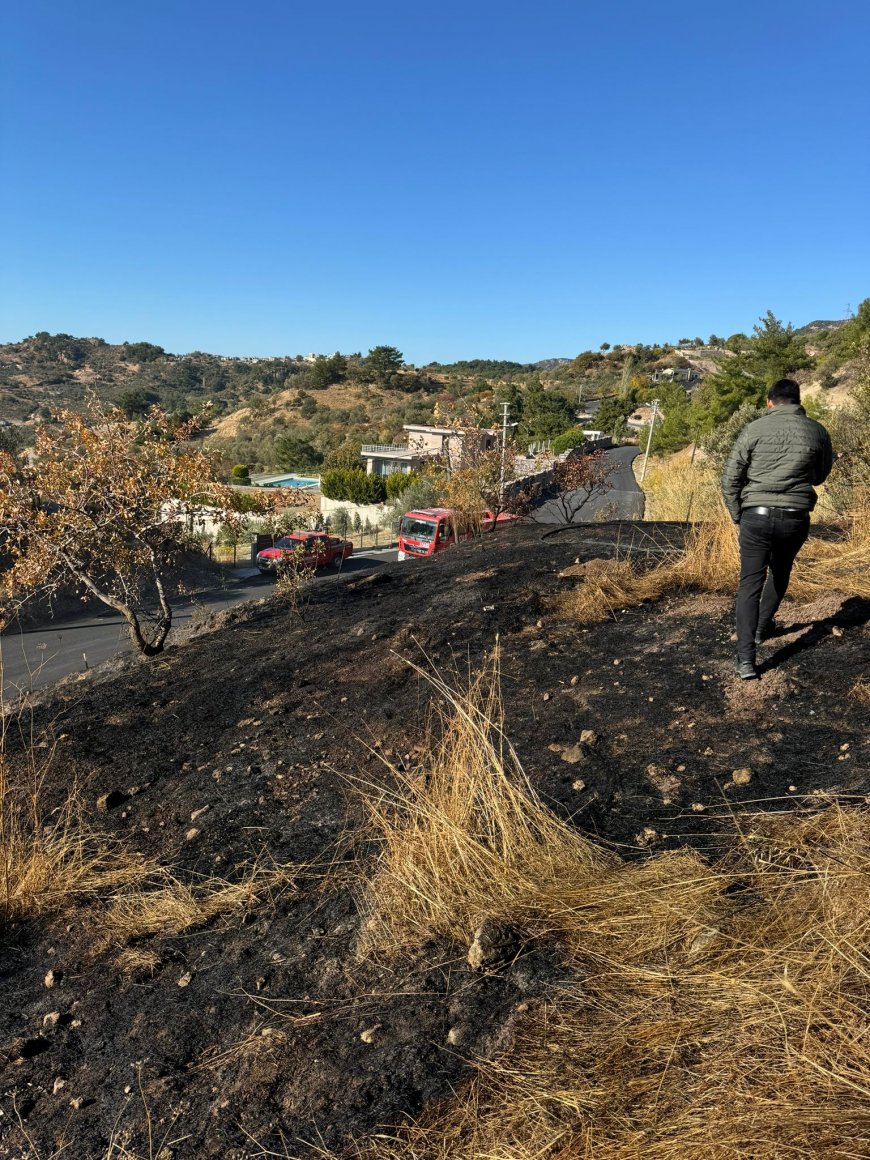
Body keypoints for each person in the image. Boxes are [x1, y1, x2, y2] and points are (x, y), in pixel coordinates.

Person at [721, 378, 833, 680]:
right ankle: (761, 628)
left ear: (769, 401)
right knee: (781, 571)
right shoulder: (817, 431)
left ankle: (746, 660)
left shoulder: (753, 429)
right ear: (798, 401)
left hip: (755, 516)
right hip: (795, 517)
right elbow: (821, 476)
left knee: (749, 583)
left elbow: (730, 478)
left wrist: (738, 514)